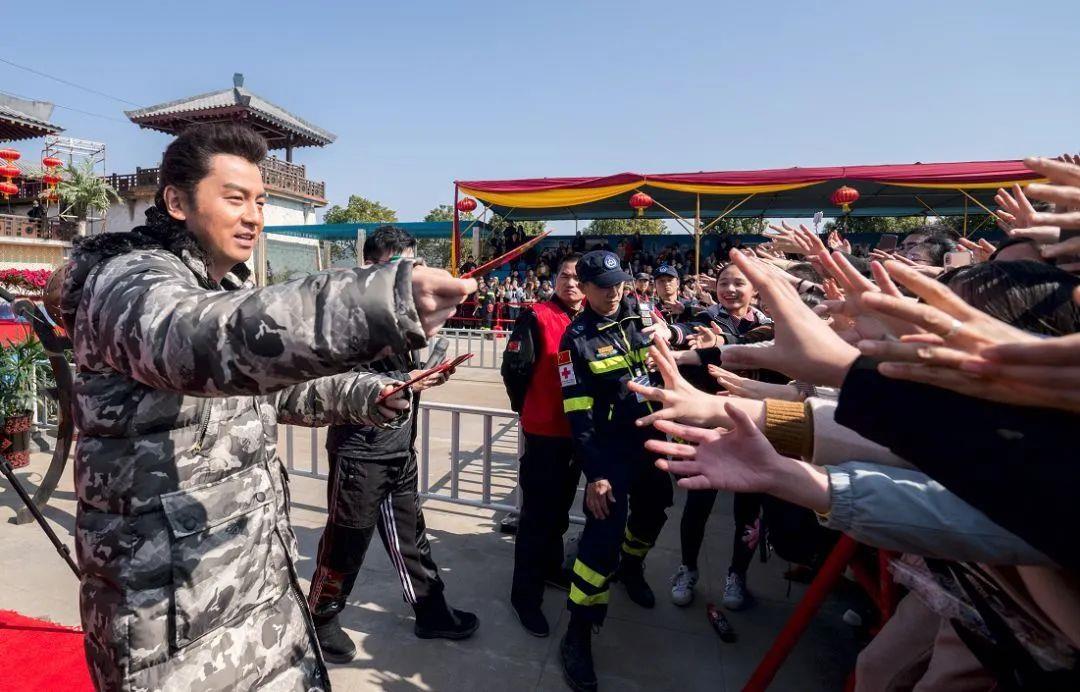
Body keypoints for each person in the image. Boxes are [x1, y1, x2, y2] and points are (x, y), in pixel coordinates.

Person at [59, 123, 475, 691]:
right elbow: (198, 341)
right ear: (176, 201)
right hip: (168, 606)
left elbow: (270, 393)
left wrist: (368, 395)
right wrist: (379, 302)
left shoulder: (223, 286)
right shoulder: (130, 279)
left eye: (260, 201)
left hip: (249, 576)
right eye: (235, 198)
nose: (254, 216)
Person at [307, 226, 479, 664]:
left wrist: (428, 374)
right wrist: (405, 380)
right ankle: (320, 618)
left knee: (411, 536)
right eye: (403, 267)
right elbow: (335, 382)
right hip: (360, 451)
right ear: (372, 267)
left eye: (416, 266)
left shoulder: (399, 313)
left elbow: (402, 375)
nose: (413, 277)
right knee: (346, 541)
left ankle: (431, 610)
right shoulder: (347, 316)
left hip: (400, 445)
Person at [558, 250, 673, 692]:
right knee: (601, 540)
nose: (614, 292)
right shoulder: (575, 339)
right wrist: (596, 474)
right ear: (584, 288)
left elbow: (667, 355)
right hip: (609, 453)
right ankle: (578, 631)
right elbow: (578, 413)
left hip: (652, 439)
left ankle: (633, 567)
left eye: (619, 283)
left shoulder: (640, 314)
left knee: (656, 509)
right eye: (604, 286)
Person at [502, 253, 585, 637]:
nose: (571, 283)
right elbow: (514, 370)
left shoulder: (591, 319)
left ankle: (551, 569)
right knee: (536, 517)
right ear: (554, 280)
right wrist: (529, 408)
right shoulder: (536, 317)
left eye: (579, 278)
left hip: (578, 434)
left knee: (560, 511)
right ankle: (525, 596)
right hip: (544, 434)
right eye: (565, 276)